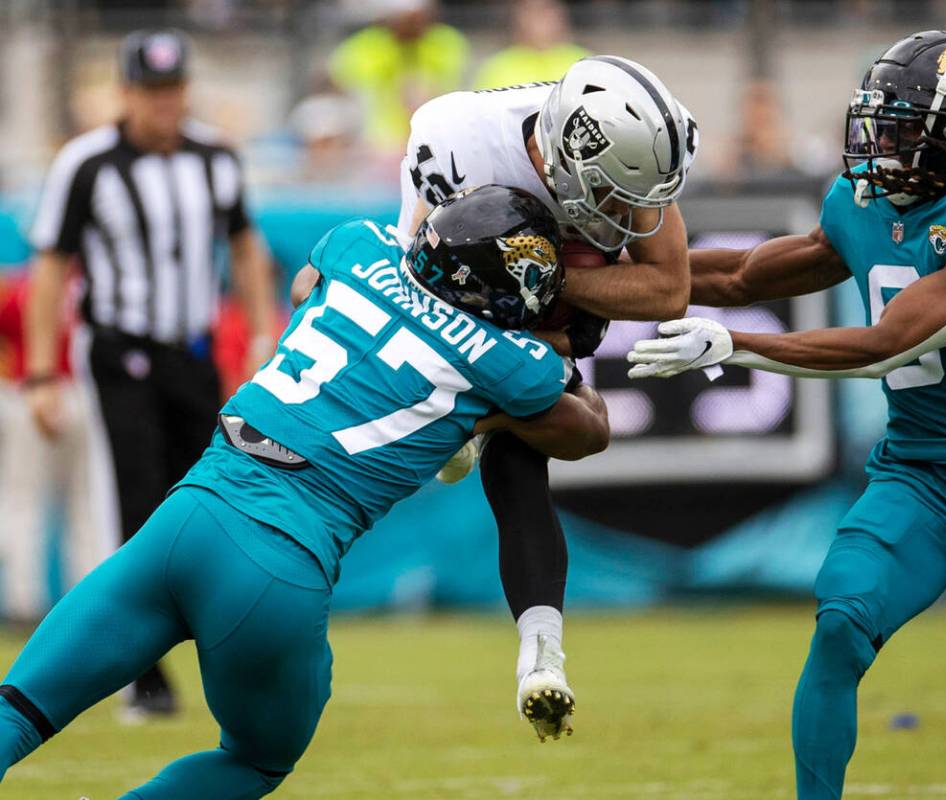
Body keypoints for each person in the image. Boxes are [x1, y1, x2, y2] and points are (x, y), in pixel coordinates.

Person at [0, 184, 610, 797]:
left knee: (18, 710)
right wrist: (499, 405)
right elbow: (587, 432)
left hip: (187, 516)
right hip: (278, 566)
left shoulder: (360, 246)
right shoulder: (510, 362)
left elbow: (303, 289)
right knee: (254, 761)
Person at [625, 31, 946, 800]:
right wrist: (610, 271)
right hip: (918, 475)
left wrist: (731, 346)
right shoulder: (861, 205)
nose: (880, 146)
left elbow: (886, 343)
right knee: (840, 622)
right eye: (879, 122)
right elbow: (740, 271)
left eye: (905, 130)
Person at [395, 55, 697, 739]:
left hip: (540, 275)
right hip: (448, 279)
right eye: (618, 195)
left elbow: (666, 289)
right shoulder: (463, 142)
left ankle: (542, 652)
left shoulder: (627, 141)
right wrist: (512, 291)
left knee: (538, 436)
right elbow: (425, 286)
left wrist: (548, 293)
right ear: (567, 159)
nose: (631, 214)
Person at [24, 28, 279, 719]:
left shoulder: (213, 158)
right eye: (150, 91)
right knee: (133, 509)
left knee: (203, 503)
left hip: (191, 354)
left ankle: (217, 656)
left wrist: (260, 333)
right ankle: (142, 673)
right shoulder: (88, 163)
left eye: (172, 90)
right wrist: (42, 373)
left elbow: (246, 245)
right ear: (127, 91)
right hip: (117, 352)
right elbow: (50, 269)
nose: (163, 104)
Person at [0, 272, 118, 624]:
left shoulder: (22, 288)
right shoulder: (94, 283)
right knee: (85, 506)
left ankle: (24, 602)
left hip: (33, 392)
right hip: (85, 397)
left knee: (25, 500)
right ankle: (85, 603)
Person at [328, 0, 469, 153]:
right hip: (379, 148)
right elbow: (342, 89)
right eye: (406, 18)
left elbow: (453, 90)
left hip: (435, 142)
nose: (414, 24)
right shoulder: (365, 46)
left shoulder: (446, 42)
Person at [472, 0, 590, 90]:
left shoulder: (584, 62)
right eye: (535, 11)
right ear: (517, 18)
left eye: (549, 10)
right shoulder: (497, 67)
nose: (544, 19)